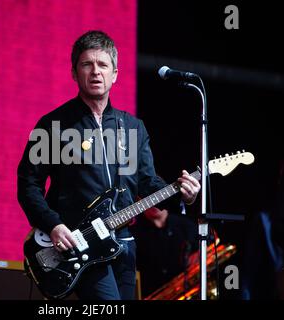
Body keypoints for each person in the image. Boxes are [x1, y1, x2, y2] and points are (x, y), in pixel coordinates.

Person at [17, 30, 200, 300]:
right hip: (79, 243)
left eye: (103, 65)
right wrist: (54, 225)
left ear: (114, 74)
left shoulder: (133, 128)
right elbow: (27, 184)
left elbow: (148, 183)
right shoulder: (54, 125)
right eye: (87, 64)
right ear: (74, 72)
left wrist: (183, 195)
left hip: (123, 245)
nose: (95, 72)